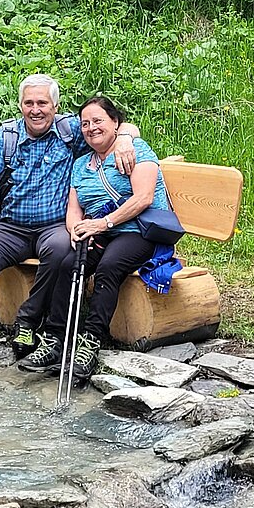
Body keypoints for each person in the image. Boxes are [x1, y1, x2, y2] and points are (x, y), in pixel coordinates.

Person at [0, 76, 140, 380]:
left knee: (61, 249)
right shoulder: (6, 138)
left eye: (42, 103)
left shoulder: (70, 132)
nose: (36, 110)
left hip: (54, 226)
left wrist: (124, 140)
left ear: (55, 106)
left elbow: (121, 126)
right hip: (9, 228)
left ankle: (27, 320)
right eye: (29, 103)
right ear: (20, 105)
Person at [19, 96, 173, 380]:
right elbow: (73, 210)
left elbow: (143, 198)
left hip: (138, 231)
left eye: (98, 121)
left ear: (115, 123)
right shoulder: (80, 165)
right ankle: (54, 340)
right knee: (68, 264)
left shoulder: (135, 149)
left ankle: (90, 342)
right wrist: (77, 231)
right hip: (100, 231)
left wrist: (103, 223)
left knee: (108, 266)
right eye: (85, 124)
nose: (91, 128)